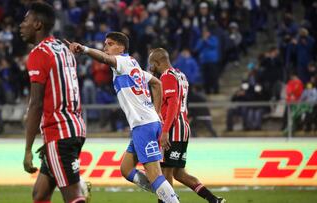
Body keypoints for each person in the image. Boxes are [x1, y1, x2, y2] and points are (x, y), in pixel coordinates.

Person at [66, 32, 180, 203]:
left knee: (154, 173)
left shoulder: (122, 62)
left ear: (121, 48)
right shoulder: (132, 64)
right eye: (105, 44)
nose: (105, 47)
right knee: (126, 169)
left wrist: (85, 49)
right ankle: (166, 193)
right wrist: (156, 112)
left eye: (109, 44)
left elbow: (106, 59)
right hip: (145, 123)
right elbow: (157, 83)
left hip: (144, 125)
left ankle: (170, 198)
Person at [20, 2, 88, 203]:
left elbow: (36, 104)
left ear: (38, 25)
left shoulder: (38, 53)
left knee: (73, 197)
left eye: (26, 20)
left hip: (59, 133)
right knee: (40, 194)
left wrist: (27, 150)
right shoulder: (62, 48)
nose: (21, 25)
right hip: (74, 128)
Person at [149, 48, 225, 203]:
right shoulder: (181, 75)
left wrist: (165, 131)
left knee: (165, 171)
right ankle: (214, 200)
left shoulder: (167, 77)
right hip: (183, 127)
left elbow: (173, 104)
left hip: (172, 129)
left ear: (157, 63)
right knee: (179, 173)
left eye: (152, 64)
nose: (151, 68)